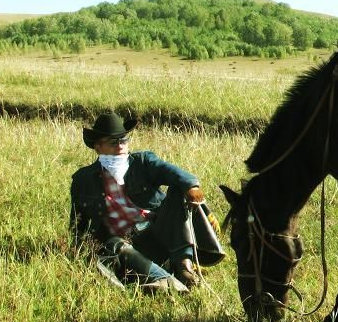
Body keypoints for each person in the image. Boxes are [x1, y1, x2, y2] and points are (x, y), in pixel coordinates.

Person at [69, 112, 224, 293]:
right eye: (113, 142)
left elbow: (169, 170)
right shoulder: (83, 179)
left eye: (124, 140)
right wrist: (78, 250)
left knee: (178, 189)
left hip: (160, 233)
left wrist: (191, 185)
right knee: (113, 244)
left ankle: (184, 267)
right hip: (127, 243)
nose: (120, 145)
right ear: (98, 146)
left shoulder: (143, 162)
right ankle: (164, 280)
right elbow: (78, 221)